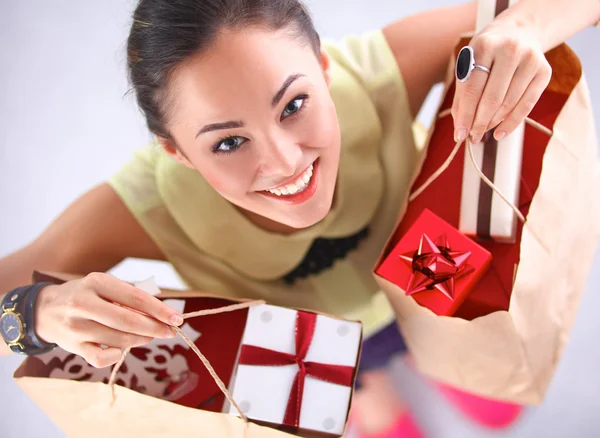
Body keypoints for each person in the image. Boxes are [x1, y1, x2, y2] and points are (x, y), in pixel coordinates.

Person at [1, 1, 598, 437]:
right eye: (228, 143)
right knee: (360, 390)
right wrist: (33, 312)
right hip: (307, 345)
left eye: (294, 104)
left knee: (483, 380)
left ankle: (430, 366)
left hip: (430, 283)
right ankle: (374, 395)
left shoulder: (379, 74)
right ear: (177, 153)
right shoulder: (145, 207)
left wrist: (521, 25)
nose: (286, 164)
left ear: (324, 66)